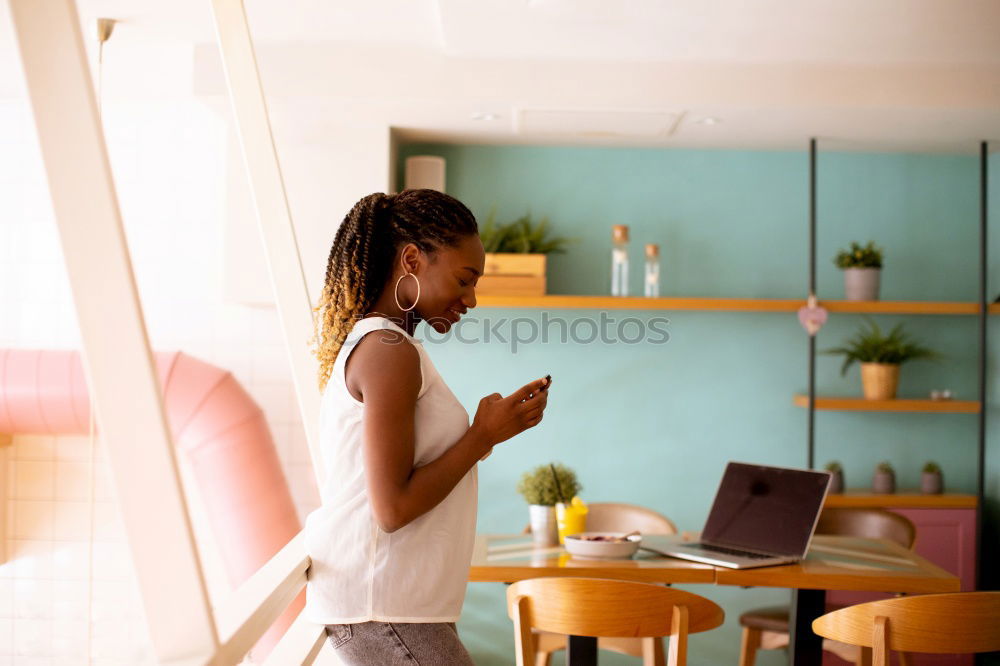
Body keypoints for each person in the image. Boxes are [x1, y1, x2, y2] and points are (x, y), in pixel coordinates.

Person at [304, 189, 551, 664]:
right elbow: (392, 508)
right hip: (384, 608)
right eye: (465, 278)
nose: (472, 299)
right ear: (412, 259)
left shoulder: (386, 346)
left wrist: (487, 434)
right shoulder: (387, 351)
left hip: (389, 606)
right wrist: (482, 435)